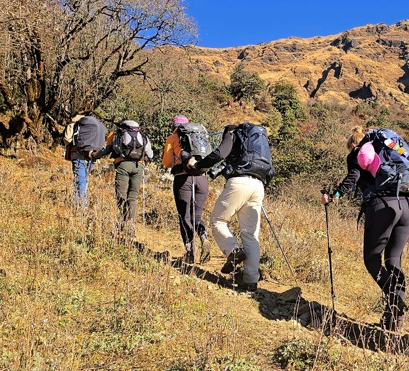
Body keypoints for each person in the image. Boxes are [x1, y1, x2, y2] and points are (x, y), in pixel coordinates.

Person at [322, 126, 409, 333]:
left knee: (372, 260)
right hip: (407, 207)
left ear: (353, 144)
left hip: (383, 206)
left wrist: (334, 196)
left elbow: (353, 178)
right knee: (394, 261)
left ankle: (394, 298)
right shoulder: (390, 153)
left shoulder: (358, 153)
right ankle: (393, 320)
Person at [187, 122, 274, 293]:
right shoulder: (259, 142)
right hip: (258, 185)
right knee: (250, 234)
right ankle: (250, 282)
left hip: (239, 181)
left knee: (218, 221)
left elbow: (220, 153)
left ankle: (233, 250)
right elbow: (271, 171)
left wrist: (198, 165)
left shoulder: (232, 132)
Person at [162, 115, 210, 263]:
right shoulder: (200, 135)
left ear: (174, 126)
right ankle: (203, 236)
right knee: (197, 215)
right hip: (202, 179)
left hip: (183, 179)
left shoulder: (173, 137)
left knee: (184, 216)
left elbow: (166, 162)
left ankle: (190, 252)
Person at [92, 120, 153, 229]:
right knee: (132, 198)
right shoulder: (142, 136)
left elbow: (106, 149)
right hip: (138, 167)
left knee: (121, 196)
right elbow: (150, 154)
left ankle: (123, 222)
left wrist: (94, 155)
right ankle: (132, 225)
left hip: (122, 165)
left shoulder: (116, 134)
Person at [63, 113, 106, 208]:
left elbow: (67, 139)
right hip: (92, 155)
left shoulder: (75, 123)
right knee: (84, 179)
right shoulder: (95, 124)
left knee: (80, 180)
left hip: (77, 155)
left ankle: (82, 206)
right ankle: (81, 203)